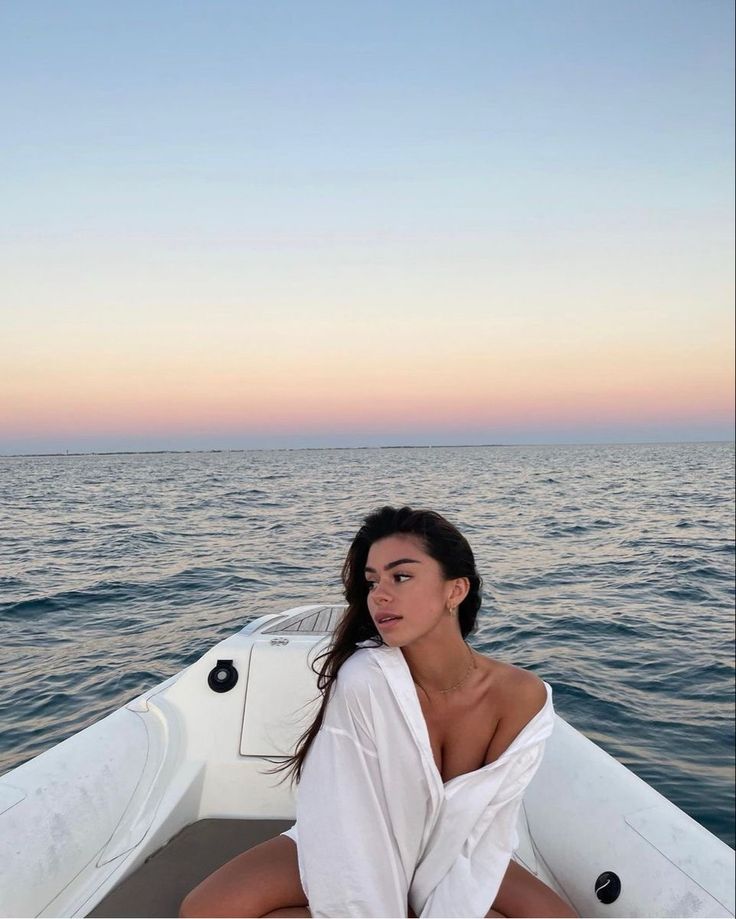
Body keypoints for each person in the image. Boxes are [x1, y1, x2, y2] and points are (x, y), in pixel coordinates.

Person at [180, 506, 577, 918]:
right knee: (207, 911)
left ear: (455, 591)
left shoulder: (519, 697)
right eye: (372, 582)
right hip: (359, 834)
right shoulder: (366, 679)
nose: (380, 595)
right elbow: (347, 812)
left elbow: (485, 825)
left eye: (401, 576)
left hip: (455, 846)